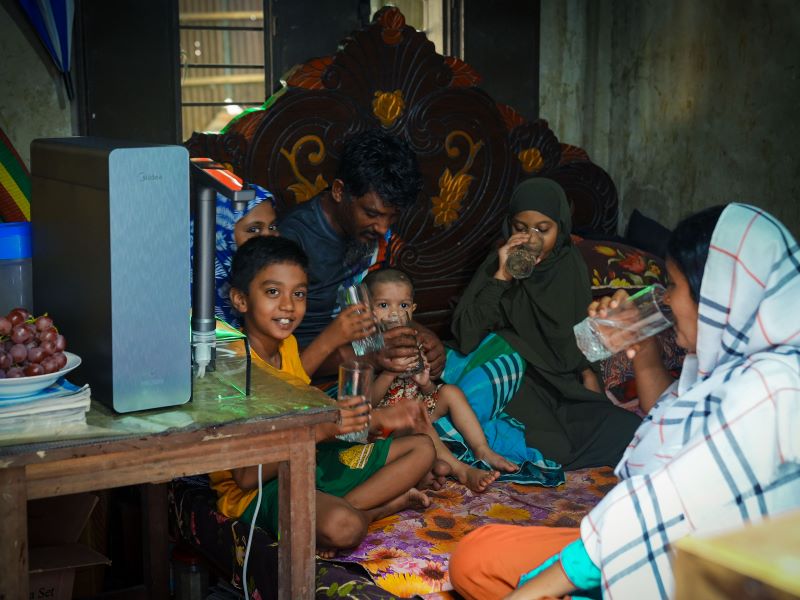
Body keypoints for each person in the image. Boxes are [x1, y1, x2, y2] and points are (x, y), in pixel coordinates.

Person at [448, 203, 800, 599]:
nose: (665, 300)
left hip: (706, 571)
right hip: (671, 543)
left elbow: (654, 510)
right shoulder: (740, 360)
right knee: (478, 555)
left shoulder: (770, 390)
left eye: (674, 286)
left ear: (716, 295)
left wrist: (539, 588)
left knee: (505, 563)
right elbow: (668, 412)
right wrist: (642, 345)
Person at [210, 236, 437, 556]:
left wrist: (369, 418)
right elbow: (247, 477)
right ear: (241, 299)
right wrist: (327, 428)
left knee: (422, 448)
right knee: (346, 527)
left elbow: (306, 414)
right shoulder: (232, 363)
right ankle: (374, 509)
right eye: (273, 292)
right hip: (261, 490)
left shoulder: (286, 348)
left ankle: (334, 507)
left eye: (298, 294)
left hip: (307, 461)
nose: (288, 305)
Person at [447, 177, 641, 471]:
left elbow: (579, 334)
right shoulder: (497, 264)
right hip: (518, 378)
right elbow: (467, 337)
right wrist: (501, 277)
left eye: (543, 229)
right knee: (555, 448)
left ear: (560, 227)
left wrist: (589, 375)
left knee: (630, 431)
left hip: (562, 385)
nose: (531, 239)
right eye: (520, 228)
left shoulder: (570, 265)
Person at [278, 128, 445, 378]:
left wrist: (422, 334)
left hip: (369, 348)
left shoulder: (373, 235)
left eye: (393, 216)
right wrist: (371, 357)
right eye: (372, 213)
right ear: (338, 191)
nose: (384, 228)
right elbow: (279, 359)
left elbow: (381, 306)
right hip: (314, 366)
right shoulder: (293, 239)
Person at [364, 268, 519, 492]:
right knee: (417, 419)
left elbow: (426, 392)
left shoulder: (413, 338)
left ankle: (481, 448)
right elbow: (366, 401)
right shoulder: (367, 346)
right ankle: (461, 470)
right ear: (367, 310)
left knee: (451, 392)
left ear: (413, 309)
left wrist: (425, 382)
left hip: (417, 407)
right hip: (384, 426)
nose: (394, 314)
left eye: (403, 306)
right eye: (384, 305)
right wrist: (389, 373)